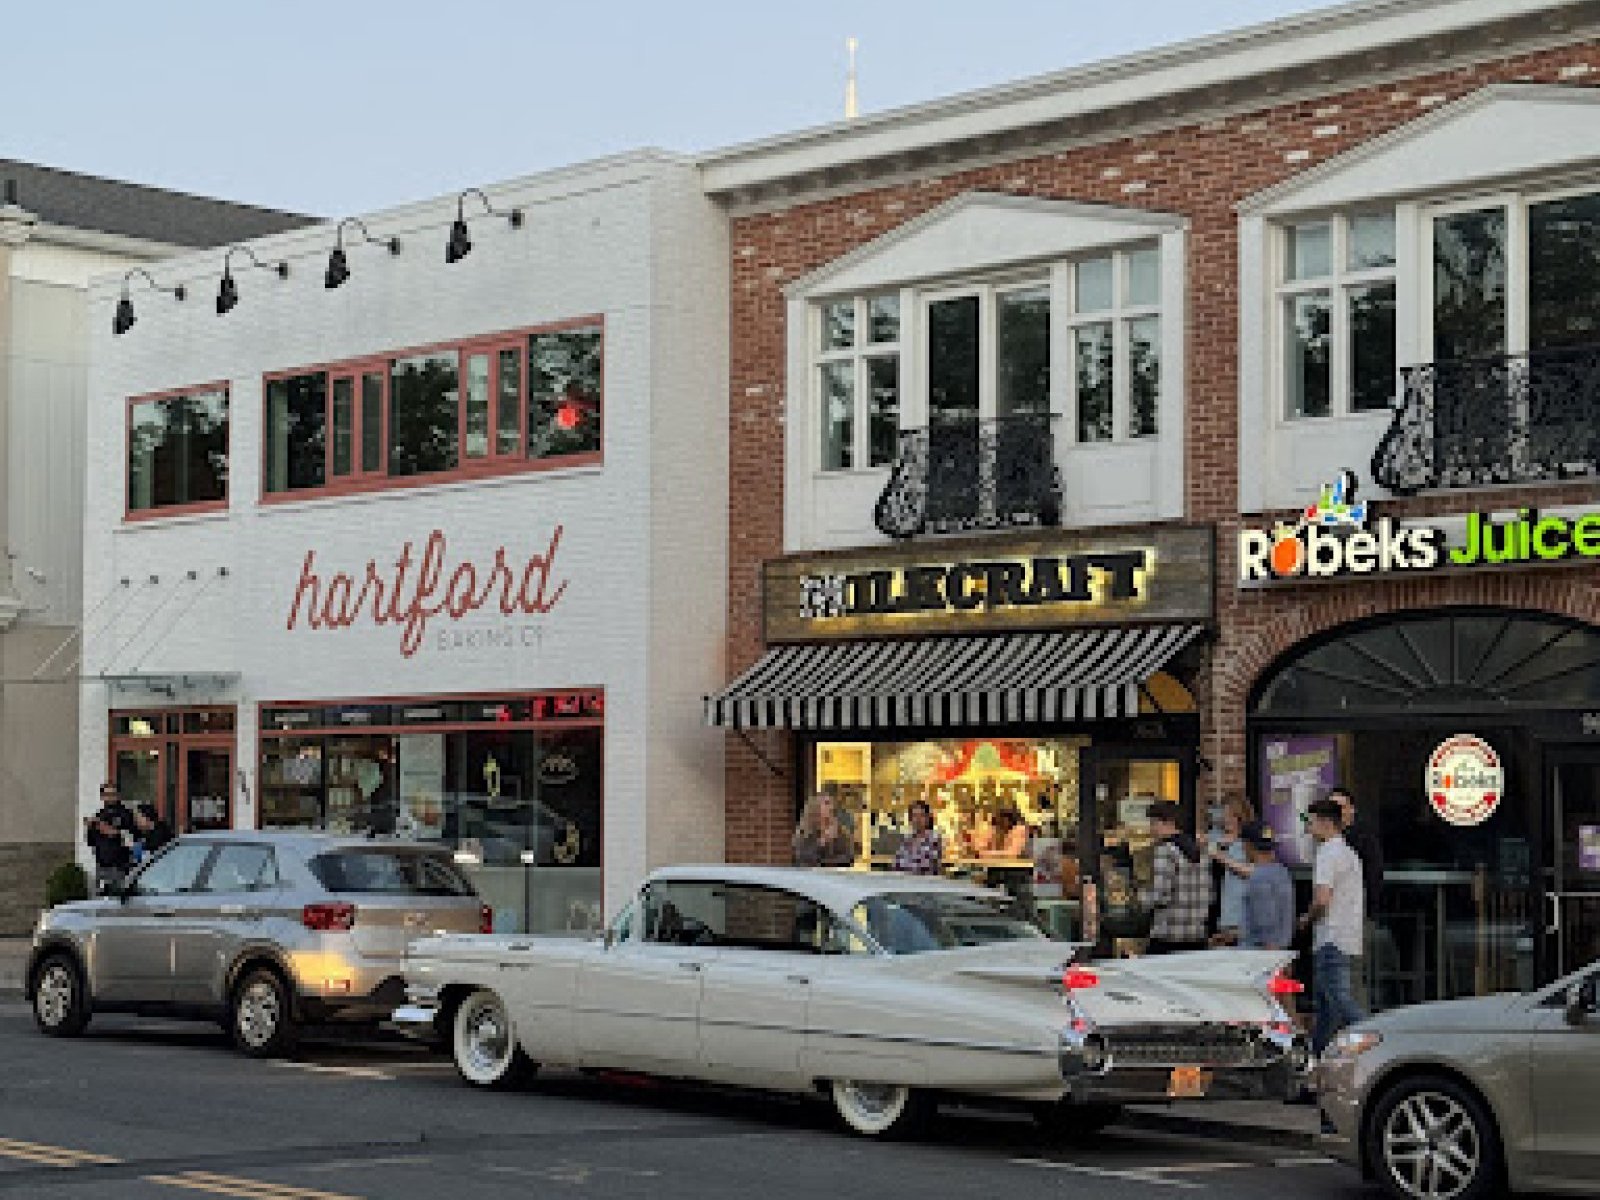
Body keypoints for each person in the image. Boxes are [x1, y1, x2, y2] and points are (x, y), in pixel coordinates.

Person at [1300, 798, 1367, 1055]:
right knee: (1327, 1010)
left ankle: (1380, 1038)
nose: (1308, 828)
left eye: (1310, 822)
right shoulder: (1349, 854)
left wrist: (1307, 918)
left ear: (1326, 823)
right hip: (1348, 937)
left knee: (1340, 1003)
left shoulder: (1328, 854)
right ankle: (1314, 1066)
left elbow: (1323, 899)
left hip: (1331, 938)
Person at [1328, 785, 1383, 1007]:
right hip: (1335, 919)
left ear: (1352, 810)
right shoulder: (1329, 841)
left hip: (1355, 918)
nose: (1336, 812)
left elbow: (1374, 877)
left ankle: (1359, 1027)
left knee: (1352, 975)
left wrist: (1366, 914)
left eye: (1340, 807)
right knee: (1335, 978)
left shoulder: (1362, 838)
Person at [1143, 800, 1211, 954]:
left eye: (1154, 823)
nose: (1151, 829)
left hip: (1169, 935)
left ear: (1169, 823)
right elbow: (1209, 894)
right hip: (1196, 936)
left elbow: (1160, 896)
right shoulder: (1201, 852)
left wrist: (1141, 898)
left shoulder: (1165, 851)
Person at [1206, 796, 1255, 945]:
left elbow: (1254, 872)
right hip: (1219, 916)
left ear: (1241, 817)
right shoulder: (1216, 837)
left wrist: (1221, 856)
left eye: (1231, 815)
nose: (1226, 819)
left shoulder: (1249, 842)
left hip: (1240, 918)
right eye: (1224, 815)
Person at [1239, 821, 1295, 950]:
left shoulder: (1259, 878)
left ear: (1248, 845)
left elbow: (1267, 923)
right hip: (1282, 950)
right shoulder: (1282, 872)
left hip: (1259, 957)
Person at [85, 782, 135, 895]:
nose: (110, 797)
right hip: (102, 865)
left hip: (120, 866)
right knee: (100, 897)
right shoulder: (99, 816)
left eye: (113, 794)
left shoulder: (126, 814)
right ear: (102, 797)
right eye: (106, 794)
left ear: (118, 795)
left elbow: (131, 839)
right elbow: (91, 841)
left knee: (118, 897)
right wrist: (91, 828)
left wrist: (114, 833)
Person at [792, 792, 855, 867]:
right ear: (816, 807)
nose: (831, 807)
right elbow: (804, 859)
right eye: (827, 803)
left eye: (831, 804)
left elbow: (848, 858)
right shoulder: (804, 833)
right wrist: (823, 842)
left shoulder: (838, 831)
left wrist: (833, 841)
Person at [892, 799, 944, 875]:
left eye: (922, 815)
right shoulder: (906, 841)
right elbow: (897, 864)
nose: (918, 819)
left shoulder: (935, 840)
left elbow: (929, 866)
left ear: (928, 818)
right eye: (915, 816)